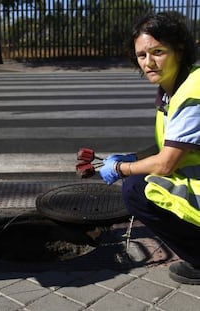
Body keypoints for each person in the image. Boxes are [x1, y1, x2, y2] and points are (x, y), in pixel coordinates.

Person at [99, 11, 200, 285]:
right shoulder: (174, 89)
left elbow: (166, 163)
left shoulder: (193, 91)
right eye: (142, 55)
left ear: (179, 50)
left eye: (158, 52)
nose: (149, 62)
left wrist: (122, 168)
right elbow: (169, 145)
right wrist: (135, 156)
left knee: (136, 190)